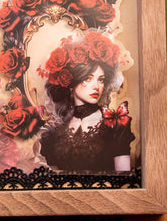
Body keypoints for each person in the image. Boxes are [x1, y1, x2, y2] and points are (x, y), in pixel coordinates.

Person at [40, 32, 135, 172]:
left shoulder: (116, 125)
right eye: (88, 78)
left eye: (101, 80)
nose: (96, 86)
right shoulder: (55, 132)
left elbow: (123, 177)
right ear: (72, 82)